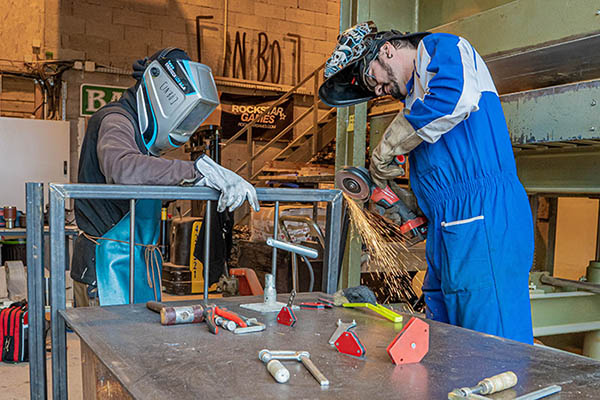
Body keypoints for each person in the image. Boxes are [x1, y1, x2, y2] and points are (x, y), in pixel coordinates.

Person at [319, 22, 534, 344]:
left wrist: (389, 145)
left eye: (371, 79)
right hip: (449, 226)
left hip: (484, 219)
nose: (377, 91)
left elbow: (456, 98)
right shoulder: (417, 103)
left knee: (492, 345)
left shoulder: (441, 48)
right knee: (445, 338)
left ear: (386, 50)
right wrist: (413, 202)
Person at [71, 48, 259, 307]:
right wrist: (195, 172)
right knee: (109, 335)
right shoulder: (116, 120)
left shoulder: (142, 135)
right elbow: (123, 168)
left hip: (138, 263)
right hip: (104, 268)